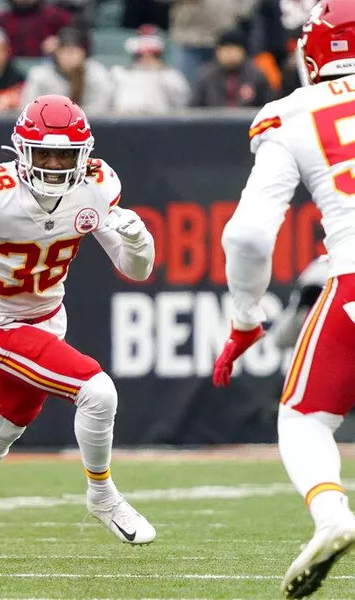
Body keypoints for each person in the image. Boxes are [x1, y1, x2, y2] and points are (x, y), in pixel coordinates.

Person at [0, 94, 157, 558]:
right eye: (45, 153)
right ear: (21, 151)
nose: (55, 165)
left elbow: (136, 270)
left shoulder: (97, 186)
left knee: (2, 425)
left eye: (65, 155)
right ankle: (102, 494)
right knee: (98, 392)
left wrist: (138, 239)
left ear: (85, 155)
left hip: (46, 321)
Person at [212, 2, 355, 597]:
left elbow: (246, 234)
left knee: (304, 418)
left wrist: (246, 315)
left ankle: (332, 516)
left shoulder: (293, 114)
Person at [21, 27, 113, 115]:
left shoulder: (97, 73)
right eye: (64, 51)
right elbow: (28, 108)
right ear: (56, 53)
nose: (69, 57)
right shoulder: (40, 74)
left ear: (83, 53)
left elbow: (102, 109)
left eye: (73, 51)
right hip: (48, 126)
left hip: (90, 126)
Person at [191, 29, 274, 108]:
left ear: (243, 51)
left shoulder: (256, 75)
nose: (230, 54)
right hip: (212, 122)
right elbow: (195, 108)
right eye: (226, 50)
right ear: (217, 52)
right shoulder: (206, 76)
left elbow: (268, 106)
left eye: (234, 49)